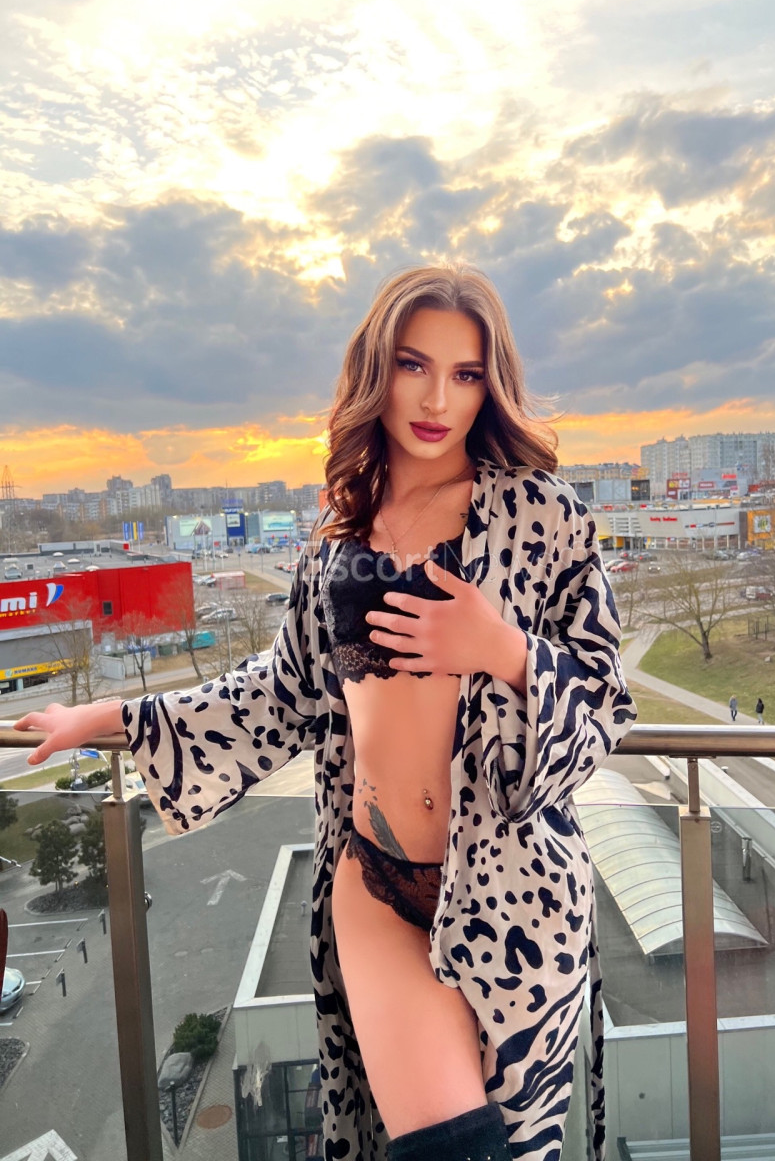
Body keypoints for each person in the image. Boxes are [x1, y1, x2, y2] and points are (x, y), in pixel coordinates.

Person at [15, 265, 636, 1161]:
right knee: (447, 1149)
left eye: (465, 375)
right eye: (414, 365)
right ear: (377, 370)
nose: (436, 399)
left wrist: (501, 649)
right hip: (373, 879)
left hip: (516, 898)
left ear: (489, 386)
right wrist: (115, 715)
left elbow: (606, 698)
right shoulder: (339, 532)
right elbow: (281, 692)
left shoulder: (544, 515)